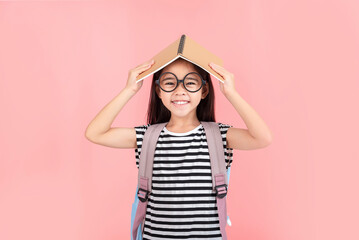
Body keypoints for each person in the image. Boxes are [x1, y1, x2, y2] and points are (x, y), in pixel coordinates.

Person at [85, 57, 273, 239]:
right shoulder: (147, 136)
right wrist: (129, 89)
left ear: (204, 90)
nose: (179, 90)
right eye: (169, 83)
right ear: (158, 91)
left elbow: (262, 138)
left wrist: (231, 93)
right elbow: (95, 133)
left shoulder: (219, 136)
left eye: (190, 83)